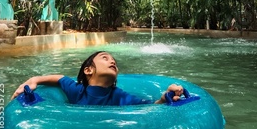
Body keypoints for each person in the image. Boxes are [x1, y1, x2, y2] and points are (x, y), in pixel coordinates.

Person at [12, 51, 184, 106]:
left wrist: (164, 97)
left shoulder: (118, 96)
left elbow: (148, 106)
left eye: (113, 60)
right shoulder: (78, 91)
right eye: (105, 58)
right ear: (88, 70)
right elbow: (59, 78)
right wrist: (34, 79)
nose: (112, 61)